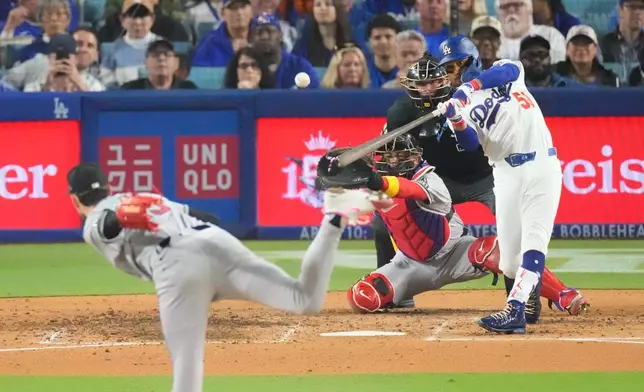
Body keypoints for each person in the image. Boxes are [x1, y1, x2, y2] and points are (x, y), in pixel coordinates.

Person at [68, 162, 386, 392]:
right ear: (107, 186)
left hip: (177, 265)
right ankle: (335, 216)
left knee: (187, 364)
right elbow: (208, 218)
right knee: (304, 298)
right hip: (214, 241)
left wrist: (122, 218)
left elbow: (106, 223)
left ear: (74, 198)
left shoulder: (94, 220)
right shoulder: (138, 195)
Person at [346, 132, 589, 318]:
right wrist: (339, 173)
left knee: (499, 250)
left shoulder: (429, 179)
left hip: (456, 253)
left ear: (415, 157)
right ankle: (401, 297)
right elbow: (348, 198)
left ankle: (562, 295)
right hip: (410, 264)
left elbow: (408, 189)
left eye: (400, 155)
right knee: (362, 297)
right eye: (388, 157)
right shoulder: (376, 187)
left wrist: (377, 181)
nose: (394, 161)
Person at [436, 48, 573, 333]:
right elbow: (471, 143)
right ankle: (525, 302)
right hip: (506, 174)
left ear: (468, 62)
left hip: (541, 165)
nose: (449, 75)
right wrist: (456, 118)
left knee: (534, 241)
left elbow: (508, 72)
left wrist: (468, 87)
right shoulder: (457, 106)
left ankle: (516, 310)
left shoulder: (504, 71)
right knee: (510, 263)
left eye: (452, 67)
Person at [99, 0, 164, 87]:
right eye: (132, 15)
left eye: (143, 15)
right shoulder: (111, 50)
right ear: (122, 19)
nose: (137, 22)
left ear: (152, 19)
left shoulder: (164, 47)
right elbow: (107, 85)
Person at [250, 12, 320, 88]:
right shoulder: (245, 67)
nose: (264, 37)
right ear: (251, 38)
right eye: (258, 32)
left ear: (281, 36)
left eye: (269, 31)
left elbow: (315, 94)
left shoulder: (299, 66)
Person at [496, 0, 566, 64]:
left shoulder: (551, 35)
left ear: (529, 9)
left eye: (517, 5)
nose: (511, 10)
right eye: (504, 7)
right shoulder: (491, 39)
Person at [291, 0, 356, 67]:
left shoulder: (350, 42)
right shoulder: (304, 42)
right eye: (318, 5)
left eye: (327, 4)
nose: (322, 8)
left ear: (337, 8)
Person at [191, 0, 254, 67]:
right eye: (233, 8)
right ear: (223, 13)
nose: (239, 12)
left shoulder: (263, 36)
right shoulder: (209, 42)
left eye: (243, 7)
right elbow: (199, 72)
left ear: (252, 11)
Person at [555, 25, 620, 87]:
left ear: (595, 49)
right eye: (575, 43)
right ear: (567, 49)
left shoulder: (610, 80)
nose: (581, 48)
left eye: (586, 42)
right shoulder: (554, 77)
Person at [120, 39, 198, 90]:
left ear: (176, 63)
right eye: (155, 54)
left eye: (167, 55)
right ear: (146, 63)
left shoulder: (189, 89)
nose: (161, 58)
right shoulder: (130, 89)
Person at [599, 0, 644, 84]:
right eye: (632, 7)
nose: (638, 12)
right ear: (620, 11)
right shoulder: (603, 44)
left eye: (642, 7)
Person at [364, 13, 401, 88]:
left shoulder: (407, 72)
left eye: (388, 37)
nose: (383, 42)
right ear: (369, 42)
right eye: (377, 37)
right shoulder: (362, 73)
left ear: (398, 40)